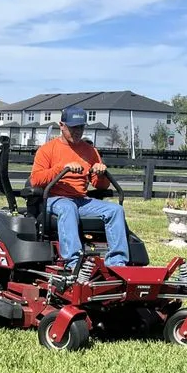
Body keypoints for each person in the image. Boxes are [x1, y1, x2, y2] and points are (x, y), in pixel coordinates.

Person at [29, 105, 129, 269]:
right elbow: (36, 180)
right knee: (68, 207)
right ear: (62, 126)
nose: (77, 132)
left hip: (81, 200)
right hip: (54, 198)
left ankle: (117, 263)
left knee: (115, 210)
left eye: (80, 128)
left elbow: (100, 185)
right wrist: (61, 168)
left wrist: (101, 174)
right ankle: (73, 263)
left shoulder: (90, 151)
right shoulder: (47, 150)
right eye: (72, 128)